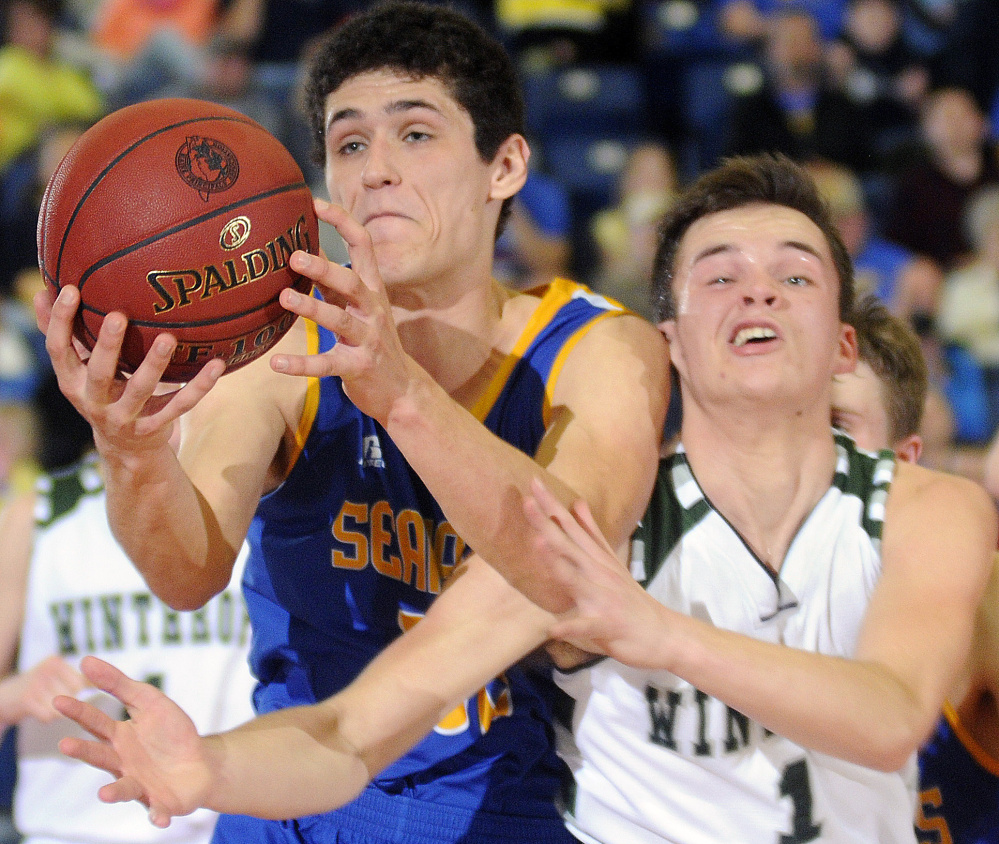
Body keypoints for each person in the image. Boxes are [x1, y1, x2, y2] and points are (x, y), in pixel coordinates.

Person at [48, 155, 993, 844]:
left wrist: (648, 628)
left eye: (794, 274)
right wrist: (208, 766)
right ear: (667, 339)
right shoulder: (576, 533)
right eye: (719, 276)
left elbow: (890, 717)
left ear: (839, 343)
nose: (756, 293)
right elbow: (349, 734)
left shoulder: (930, 510)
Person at [36, 2, 669, 842]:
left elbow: (569, 569)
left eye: (415, 135)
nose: (375, 171)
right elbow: (184, 577)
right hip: (289, 791)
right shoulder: (276, 349)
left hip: (498, 810)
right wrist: (134, 451)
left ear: (505, 165)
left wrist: (402, 395)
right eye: (348, 144)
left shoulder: (596, 348)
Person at [0, 427, 257, 844]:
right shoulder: (41, 513)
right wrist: (16, 695)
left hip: (225, 826)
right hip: (73, 831)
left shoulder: (258, 506)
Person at [829, 296, 999, 844]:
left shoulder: (982, 596)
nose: (803, 445)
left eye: (837, 424)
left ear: (903, 461)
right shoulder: (708, 577)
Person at [0, 0, 104, 174]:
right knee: (61, 145)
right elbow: (39, 101)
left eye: (41, 23)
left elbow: (91, 105)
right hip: (17, 165)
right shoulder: (9, 62)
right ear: (13, 31)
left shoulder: (59, 69)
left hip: (60, 148)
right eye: (27, 25)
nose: (38, 31)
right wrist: (59, 103)